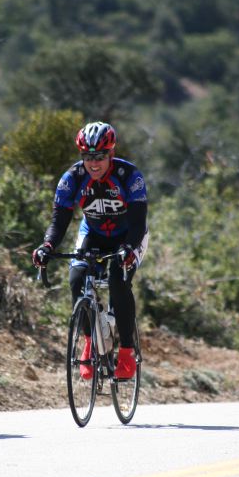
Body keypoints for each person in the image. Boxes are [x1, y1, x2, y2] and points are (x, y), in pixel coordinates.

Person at [32, 121, 149, 379]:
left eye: (99, 156)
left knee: (118, 281)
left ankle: (127, 353)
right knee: (76, 279)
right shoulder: (72, 178)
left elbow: (139, 223)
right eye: (87, 156)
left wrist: (128, 248)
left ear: (111, 153)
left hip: (129, 235)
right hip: (93, 233)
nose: (93, 163)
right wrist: (47, 246)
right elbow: (58, 222)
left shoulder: (129, 176)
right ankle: (89, 342)